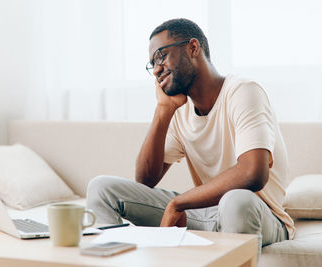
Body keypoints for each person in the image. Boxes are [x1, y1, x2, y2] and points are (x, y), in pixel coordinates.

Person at [86, 18, 294, 253]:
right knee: (101, 187)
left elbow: (252, 173)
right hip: (206, 215)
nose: (156, 69)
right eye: (152, 63)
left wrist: (179, 203)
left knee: (236, 199)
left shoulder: (243, 91)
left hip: (258, 214)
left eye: (161, 56)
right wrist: (163, 111)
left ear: (193, 48)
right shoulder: (179, 111)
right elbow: (145, 180)